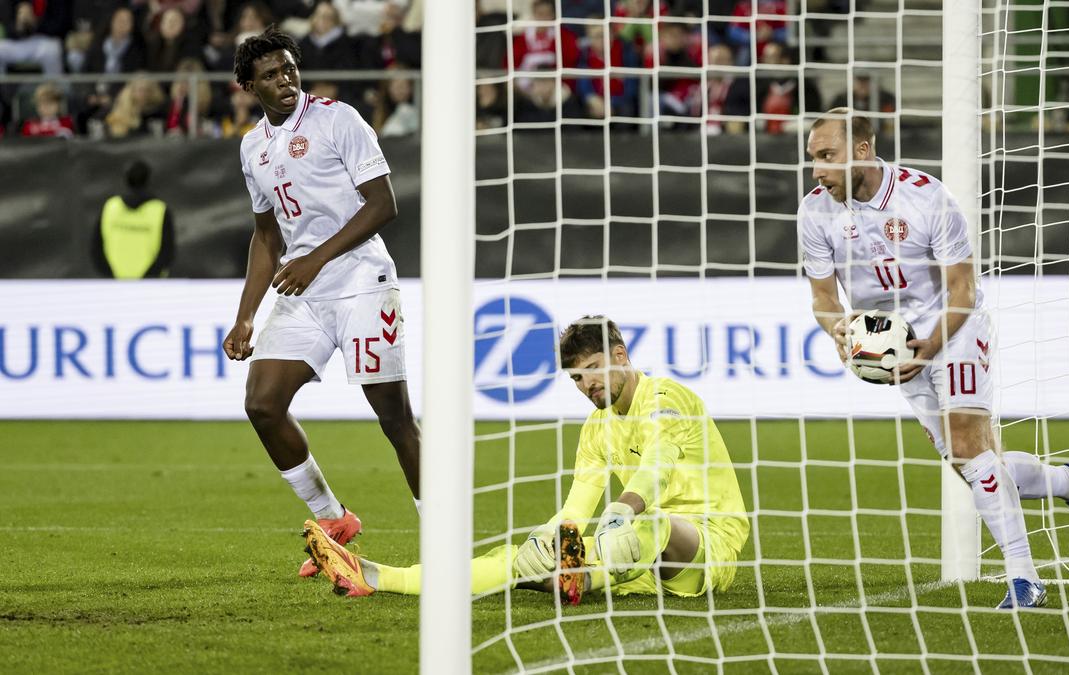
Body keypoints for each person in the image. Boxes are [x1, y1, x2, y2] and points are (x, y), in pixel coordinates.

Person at [799, 108, 1069, 609]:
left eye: (826, 157)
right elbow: (823, 298)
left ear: (861, 150)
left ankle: (1023, 578)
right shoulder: (814, 211)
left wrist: (933, 345)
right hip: (892, 344)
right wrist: (839, 330)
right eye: (812, 159)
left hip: (952, 325)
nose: (817, 170)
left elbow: (963, 287)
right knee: (971, 466)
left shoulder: (925, 196)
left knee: (969, 443)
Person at [303, 316, 750, 605]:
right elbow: (577, 508)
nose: (586, 383)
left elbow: (659, 462)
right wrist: (550, 535)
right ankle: (377, 576)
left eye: (593, 368)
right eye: (576, 377)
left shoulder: (668, 397)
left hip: (707, 544)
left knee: (652, 526)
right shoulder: (596, 428)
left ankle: (579, 578)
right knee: (523, 561)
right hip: (636, 554)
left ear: (620, 356)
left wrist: (622, 508)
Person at [222, 26, 420, 579]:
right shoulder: (252, 145)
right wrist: (245, 315)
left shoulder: (338, 118)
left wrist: (314, 258)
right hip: (304, 293)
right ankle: (333, 520)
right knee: (262, 402)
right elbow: (266, 236)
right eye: (270, 75)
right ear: (247, 86)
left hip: (362, 279)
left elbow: (383, 205)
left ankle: (441, 535)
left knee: (395, 418)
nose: (284, 81)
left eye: (289, 69)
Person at [91, 159, 175, 279]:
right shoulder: (159, 210)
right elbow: (167, 252)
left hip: (115, 285)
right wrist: (148, 278)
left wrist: (111, 275)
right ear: (149, 180)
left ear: (126, 179)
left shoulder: (111, 207)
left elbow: (96, 248)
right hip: (151, 287)